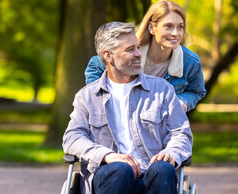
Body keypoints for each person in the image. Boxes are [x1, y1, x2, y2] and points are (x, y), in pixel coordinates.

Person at [63, 22, 193, 194]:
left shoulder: (162, 90)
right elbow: (72, 137)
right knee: (120, 169)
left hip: (151, 176)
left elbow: (181, 132)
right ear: (108, 56)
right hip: (109, 177)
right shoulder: (87, 97)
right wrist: (107, 156)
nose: (139, 54)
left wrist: (172, 152)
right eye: (130, 49)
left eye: (138, 47)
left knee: (163, 169)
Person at [84, 0, 206, 112]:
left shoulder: (191, 62)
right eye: (168, 26)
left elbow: (196, 91)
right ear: (152, 28)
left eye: (180, 27)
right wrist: (103, 99)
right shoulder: (128, 52)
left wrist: (182, 102)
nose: (176, 33)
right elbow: (95, 66)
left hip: (160, 128)